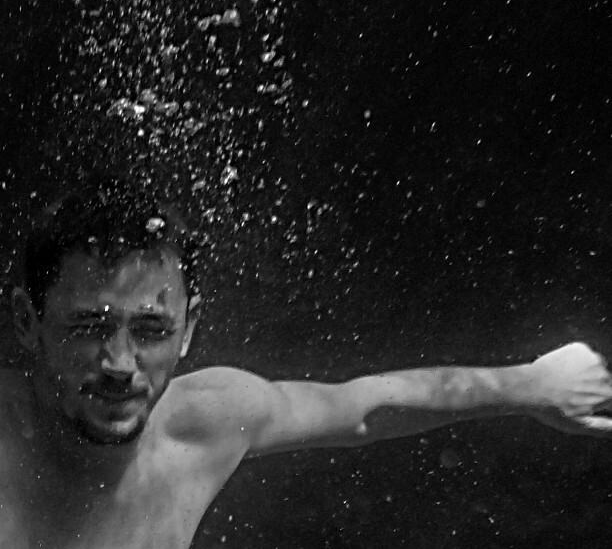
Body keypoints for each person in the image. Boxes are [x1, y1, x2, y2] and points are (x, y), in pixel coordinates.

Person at [2, 178, 612, 549]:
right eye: (88, 327)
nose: (120, 363)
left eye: (151, 330)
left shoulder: (206, 423)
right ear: (28, 321)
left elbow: (365, 408)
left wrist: (534, 383)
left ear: (189, 330)